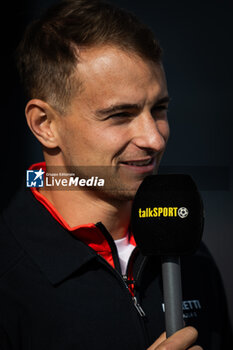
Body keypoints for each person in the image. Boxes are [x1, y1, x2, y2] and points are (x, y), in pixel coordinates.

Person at [0, 0, 232, 349]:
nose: (154, 138)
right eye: (120, 115)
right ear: (44, 125)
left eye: (159, 108)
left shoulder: (190, 252)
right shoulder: (9, 272)